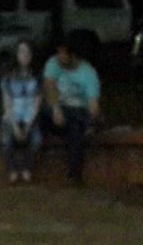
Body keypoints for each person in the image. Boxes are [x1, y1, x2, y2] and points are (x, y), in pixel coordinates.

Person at [41, 33, 101, 185]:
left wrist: (92, 118)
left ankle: (74, 175)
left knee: (75, 129)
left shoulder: (88, 73)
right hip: (57, 114)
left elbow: (93, 104)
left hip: (76, 113)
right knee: (47, 112)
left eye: (63, 54)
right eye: (58, 53)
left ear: (73, 56)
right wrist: (56, 109)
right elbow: (49, 87)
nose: (59, 57)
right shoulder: (53, 64)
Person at [0, 39, 42, 184]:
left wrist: (28, 125)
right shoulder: (8, 77)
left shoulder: (37, 76)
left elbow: (37, 104)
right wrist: (15, 127)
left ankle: (27, 168)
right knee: (6, 141)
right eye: (22, 52)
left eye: (28, 52)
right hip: (12, 117)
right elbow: (7, 104)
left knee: (36, 140)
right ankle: (12, 169)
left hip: (30, 117)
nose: (25, 55)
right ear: (16, 54)